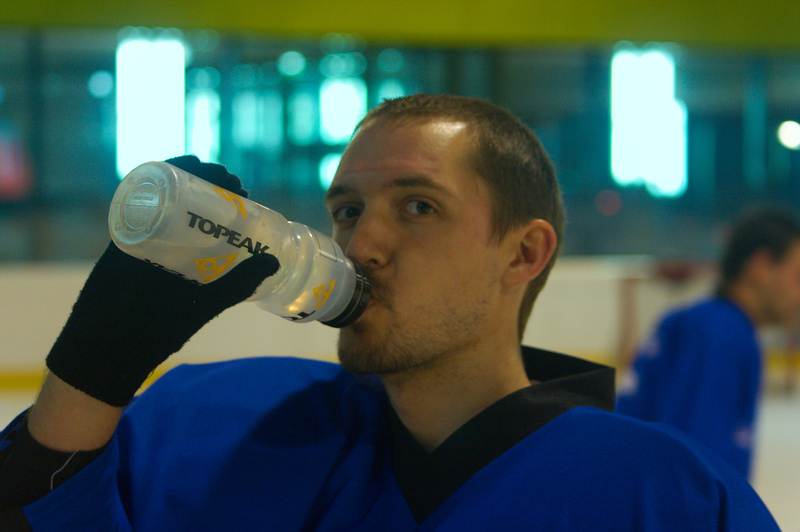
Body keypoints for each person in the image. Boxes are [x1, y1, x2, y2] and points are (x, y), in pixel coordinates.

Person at [0, 94, 779, 530]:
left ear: (523, 253)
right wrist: (89, 375)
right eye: (346, 210)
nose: (361, 244)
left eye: (417, 207)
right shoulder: (218, 427)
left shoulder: (667, 498)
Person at [617, 208, 800, 480]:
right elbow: (692, 470)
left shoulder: (709, 322)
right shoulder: (721, 333)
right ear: (761, 267)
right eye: (798, 276)